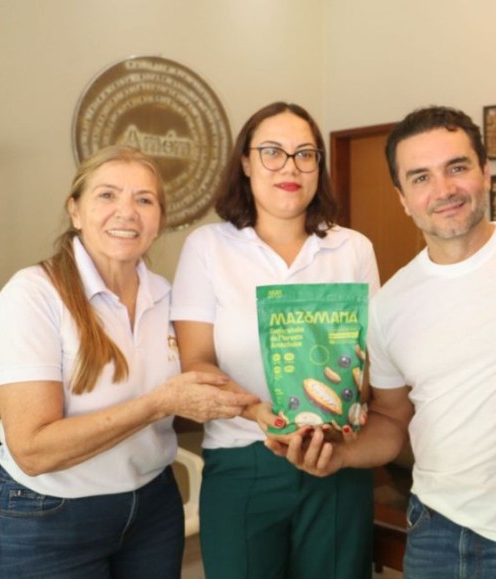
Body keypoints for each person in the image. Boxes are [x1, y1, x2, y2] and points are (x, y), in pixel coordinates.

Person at [268, 106, 496, 578]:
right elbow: (392, 419)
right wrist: (340, 454)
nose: (443, 190)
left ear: (485, 172)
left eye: (457, 167)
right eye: (421, 177)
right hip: (433, 532)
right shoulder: (389, 305)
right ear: (403, 198)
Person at [0, 145, 258, 579]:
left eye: (144, 199)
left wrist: (273, 418)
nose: (127, 212)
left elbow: (205, 375)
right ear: (75, 210)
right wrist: (158, 403)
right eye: (107, 195)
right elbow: (33, 450)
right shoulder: (32, 296)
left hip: (152, 508)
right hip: (49, 517)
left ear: (159, 220)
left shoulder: (167, 296)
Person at [171, 102, 381, 579]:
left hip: (336, 456)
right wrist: (256, 412)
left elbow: (372, 360)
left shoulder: (352, 248)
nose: (290, 167)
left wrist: (348, 410)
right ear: (246, 162)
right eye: (272, 152)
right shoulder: (209, 247)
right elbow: (196, 362)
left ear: (318, 167)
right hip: (243, 458)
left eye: (305, 154)